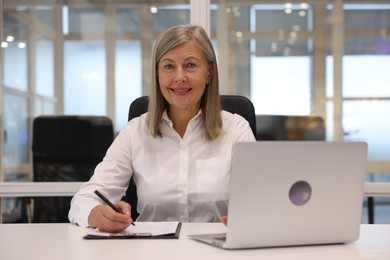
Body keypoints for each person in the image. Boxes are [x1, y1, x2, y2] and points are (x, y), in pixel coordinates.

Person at [68, 24, 255, 232]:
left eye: (191, 65)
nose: (179, 77)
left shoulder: (236, 129)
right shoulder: (135, 132)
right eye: (168, 66)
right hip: (152, 249)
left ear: (209, 73)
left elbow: (262, 199)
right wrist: (96, 214)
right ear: (157, 74)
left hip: (216, 250)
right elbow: (84, 199)